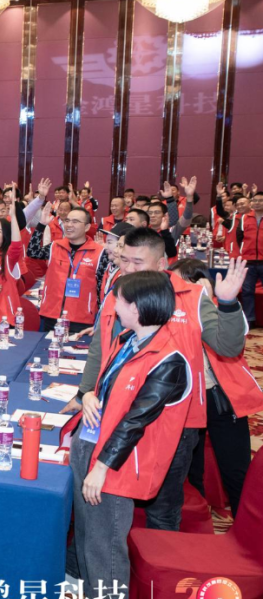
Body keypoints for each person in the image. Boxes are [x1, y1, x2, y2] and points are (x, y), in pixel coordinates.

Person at [70, 227, 248, 533]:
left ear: (161, 263)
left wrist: (229, 304)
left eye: (138, 262)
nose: (128, 268)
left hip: (173, 421)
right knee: (103, 492)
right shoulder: (118, 291)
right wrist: (85, 392)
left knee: (162, 505)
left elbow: (228, 347)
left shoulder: (191, 296)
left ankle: (157, 558)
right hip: (114, 413)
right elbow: (101, 347)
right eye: (124, 260)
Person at [69, 271, 190, 599]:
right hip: (93, 447)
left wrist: (102, 467)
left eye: (118, 300)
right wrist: (90, 395)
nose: (113, 307)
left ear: (136, 307)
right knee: (88, 542)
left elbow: (134, 422)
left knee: (105, 555)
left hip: (117, 467)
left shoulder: (169, 360)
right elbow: (109, 389)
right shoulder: (129, 339)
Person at [171, 258, 263, 517]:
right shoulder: (169, 311)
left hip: (221, 400)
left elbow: (233, 342)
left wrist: (219, 301)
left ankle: (247, 526)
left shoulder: (218, 308)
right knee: (192, 471)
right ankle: (197, 523)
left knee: (236, 471)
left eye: (180, 283)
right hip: (187, 400)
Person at [26, 203, 103, 332]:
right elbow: (32, 252)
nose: (69, 225)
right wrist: (41, 225)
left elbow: (101, 288)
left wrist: (99, 320)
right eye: (67, 221)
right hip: (51, 315)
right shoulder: (55, 246)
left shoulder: (99, 252)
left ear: (87, 227)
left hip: (81, 319)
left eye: (75, 221)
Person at [235, 189, 263, 324]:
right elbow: (239, 237)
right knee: (247, 291)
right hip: (248, 260)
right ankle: (249, 320)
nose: (257, 203)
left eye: (260, 201)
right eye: (255, 200)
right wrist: (246, 250)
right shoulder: (244, 218)